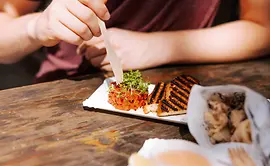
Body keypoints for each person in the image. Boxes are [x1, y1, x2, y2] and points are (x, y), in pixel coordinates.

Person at [0, 0, 269, 83]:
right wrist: (38, 26)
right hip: (61, 97)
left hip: (177, 95)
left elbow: (262, 29)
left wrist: (157, 46)